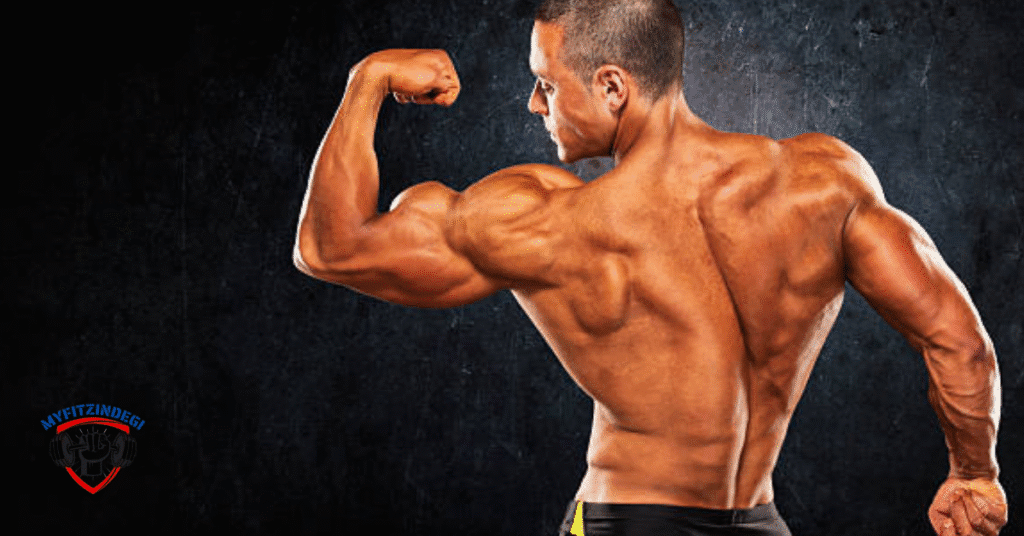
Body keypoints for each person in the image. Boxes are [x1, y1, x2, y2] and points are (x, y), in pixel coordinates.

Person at [292, 0, 1007, 534]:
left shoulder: (546, 218)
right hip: (757, 521)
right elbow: (959, 342)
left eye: (546, 81)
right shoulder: (824, 184)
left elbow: (331, 246)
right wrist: (974, 473)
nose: (534, 102)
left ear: (612, 87)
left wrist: (369, 80)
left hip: (625, 522)